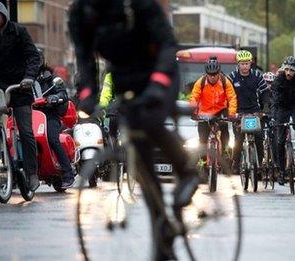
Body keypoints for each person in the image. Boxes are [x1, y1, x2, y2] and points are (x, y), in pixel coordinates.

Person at [68, 1, 199, 259]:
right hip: (124, 79)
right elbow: (84, 58)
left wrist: (157, 85)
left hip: (160, 73)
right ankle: (164, 241)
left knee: (149, 120)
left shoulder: (136, 4)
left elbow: (167, 44)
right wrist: (87, 94)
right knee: (144, 171)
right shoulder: (80, 13)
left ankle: (187, 172)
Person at [0, 1, 41, 191]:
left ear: (4, 15)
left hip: (20, 85)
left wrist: (29, 77)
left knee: (26, 131)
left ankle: (32, 172)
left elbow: (33, 56)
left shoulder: (19, 31)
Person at [36, 49, 75, 188]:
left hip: (49, 115)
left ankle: (68, 174)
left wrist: (54, 98)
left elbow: (63, 94)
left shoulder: (51, 78)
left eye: (36, 58)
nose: (34, 61)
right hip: (31, 116)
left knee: (52, 139)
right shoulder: (25, 79)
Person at [189, 58, 237, 160]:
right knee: (202, 137)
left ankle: (225, 151)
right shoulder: (200, 82)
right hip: (204, 112)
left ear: (219, 72)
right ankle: (202, 160)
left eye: (215, 74)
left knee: (224, 128)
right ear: (206, 73)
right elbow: (194, 97)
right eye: (210, 74)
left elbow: (232, 97)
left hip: (221, 111)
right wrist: (193, 111)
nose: (213, 77)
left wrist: (232, 113)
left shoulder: (225, 81)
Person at [229, 50, 268, 173]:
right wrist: (229, 112)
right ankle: (235, 162)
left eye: (247, 63)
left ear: (251, 63)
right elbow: (227, 95)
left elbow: (265, 93)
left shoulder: (257, 76)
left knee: (259, 137)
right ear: (238, 64)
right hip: (238, 112)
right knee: (238, 139)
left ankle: (260, 163)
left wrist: (265, 108)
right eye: (242, 64)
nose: (244, 66)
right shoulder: (232, 77)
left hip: (254, 111)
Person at [272, 56, 295, 185]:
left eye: (292, 70)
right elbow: (274, 98)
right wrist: (274, 116)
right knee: (280, 140)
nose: (289, 73)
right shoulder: (279, 79)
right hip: (282, 107)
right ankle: (281, 171)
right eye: (287, 70)